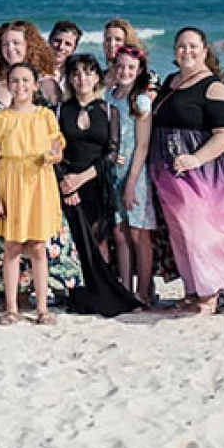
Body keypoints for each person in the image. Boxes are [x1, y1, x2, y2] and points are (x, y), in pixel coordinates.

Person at [146, 28, 224, 316]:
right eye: (181, 46)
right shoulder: (170, 82)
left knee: (200, 232)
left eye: (193, 46)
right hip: (169, 171)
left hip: (202, 173)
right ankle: (192, 290)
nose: (187, 51)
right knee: (179, 232)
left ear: (205, 50)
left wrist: (196, 159)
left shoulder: (213, 86)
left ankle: (210, 294)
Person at [52, 54, 141, 318]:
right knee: (73, 243)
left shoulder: (108, 111)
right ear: (69, 78)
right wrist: (65, 181)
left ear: (97, 78)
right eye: (76, 73)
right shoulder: (59, 110)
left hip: (96, 183)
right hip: (67, 186)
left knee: (100, 240)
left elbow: (111, 154)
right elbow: (53, 151)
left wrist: (83, 178)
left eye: (88, 73)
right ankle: (77, 295)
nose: (82, 79)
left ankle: (105, 295)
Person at [0, 63, 63, 325]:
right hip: (11, 183)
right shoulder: (0, 119)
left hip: (40, 182)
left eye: (26, 80)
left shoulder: (45, 116)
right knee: (12, 246)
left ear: (35, 85)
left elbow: (58, 151)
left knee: (39, 246)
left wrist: (52, 156)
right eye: (15, 81)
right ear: (8, 85)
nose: (20, 86)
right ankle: (11, 307)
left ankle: (42, 307)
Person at [105, 48, 158, 305]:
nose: (125, 72)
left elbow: (143, 146)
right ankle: (125, 289)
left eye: (131, 68)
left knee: (139, 233)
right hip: (113, 172)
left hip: (136, 174)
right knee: (119, 232)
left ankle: (144, 291)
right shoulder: (109, 97)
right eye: (121, 67)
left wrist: (131, 183)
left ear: (138, 72)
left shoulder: (141, 102)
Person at [0, 21, 60, 112]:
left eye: (16, 43)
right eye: (5, 44)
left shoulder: (47, 85)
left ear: (29, 46)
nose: (10, 48)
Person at [45, 21, 83, 100]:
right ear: (49, 39)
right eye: (57, 41)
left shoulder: (77, 74)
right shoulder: (35, 70)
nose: (61, 47)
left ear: (74, 49)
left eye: (68, 44)